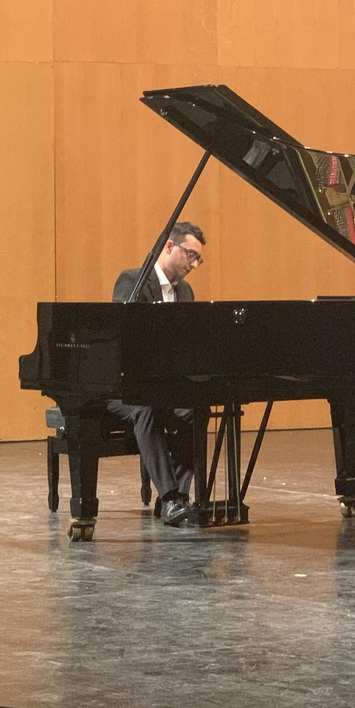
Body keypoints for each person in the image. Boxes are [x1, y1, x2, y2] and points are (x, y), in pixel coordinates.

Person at [108, 222, 209, 528]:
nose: (193, 264)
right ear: (169, 246)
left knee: (196, 408)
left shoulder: (186, 291)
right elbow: (123, 339)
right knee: (146, 406)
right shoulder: (132, 281)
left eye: (198, 259)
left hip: (166, 387)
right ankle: (169, 498)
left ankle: (177, 493)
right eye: (190, 255)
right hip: (123, 387)